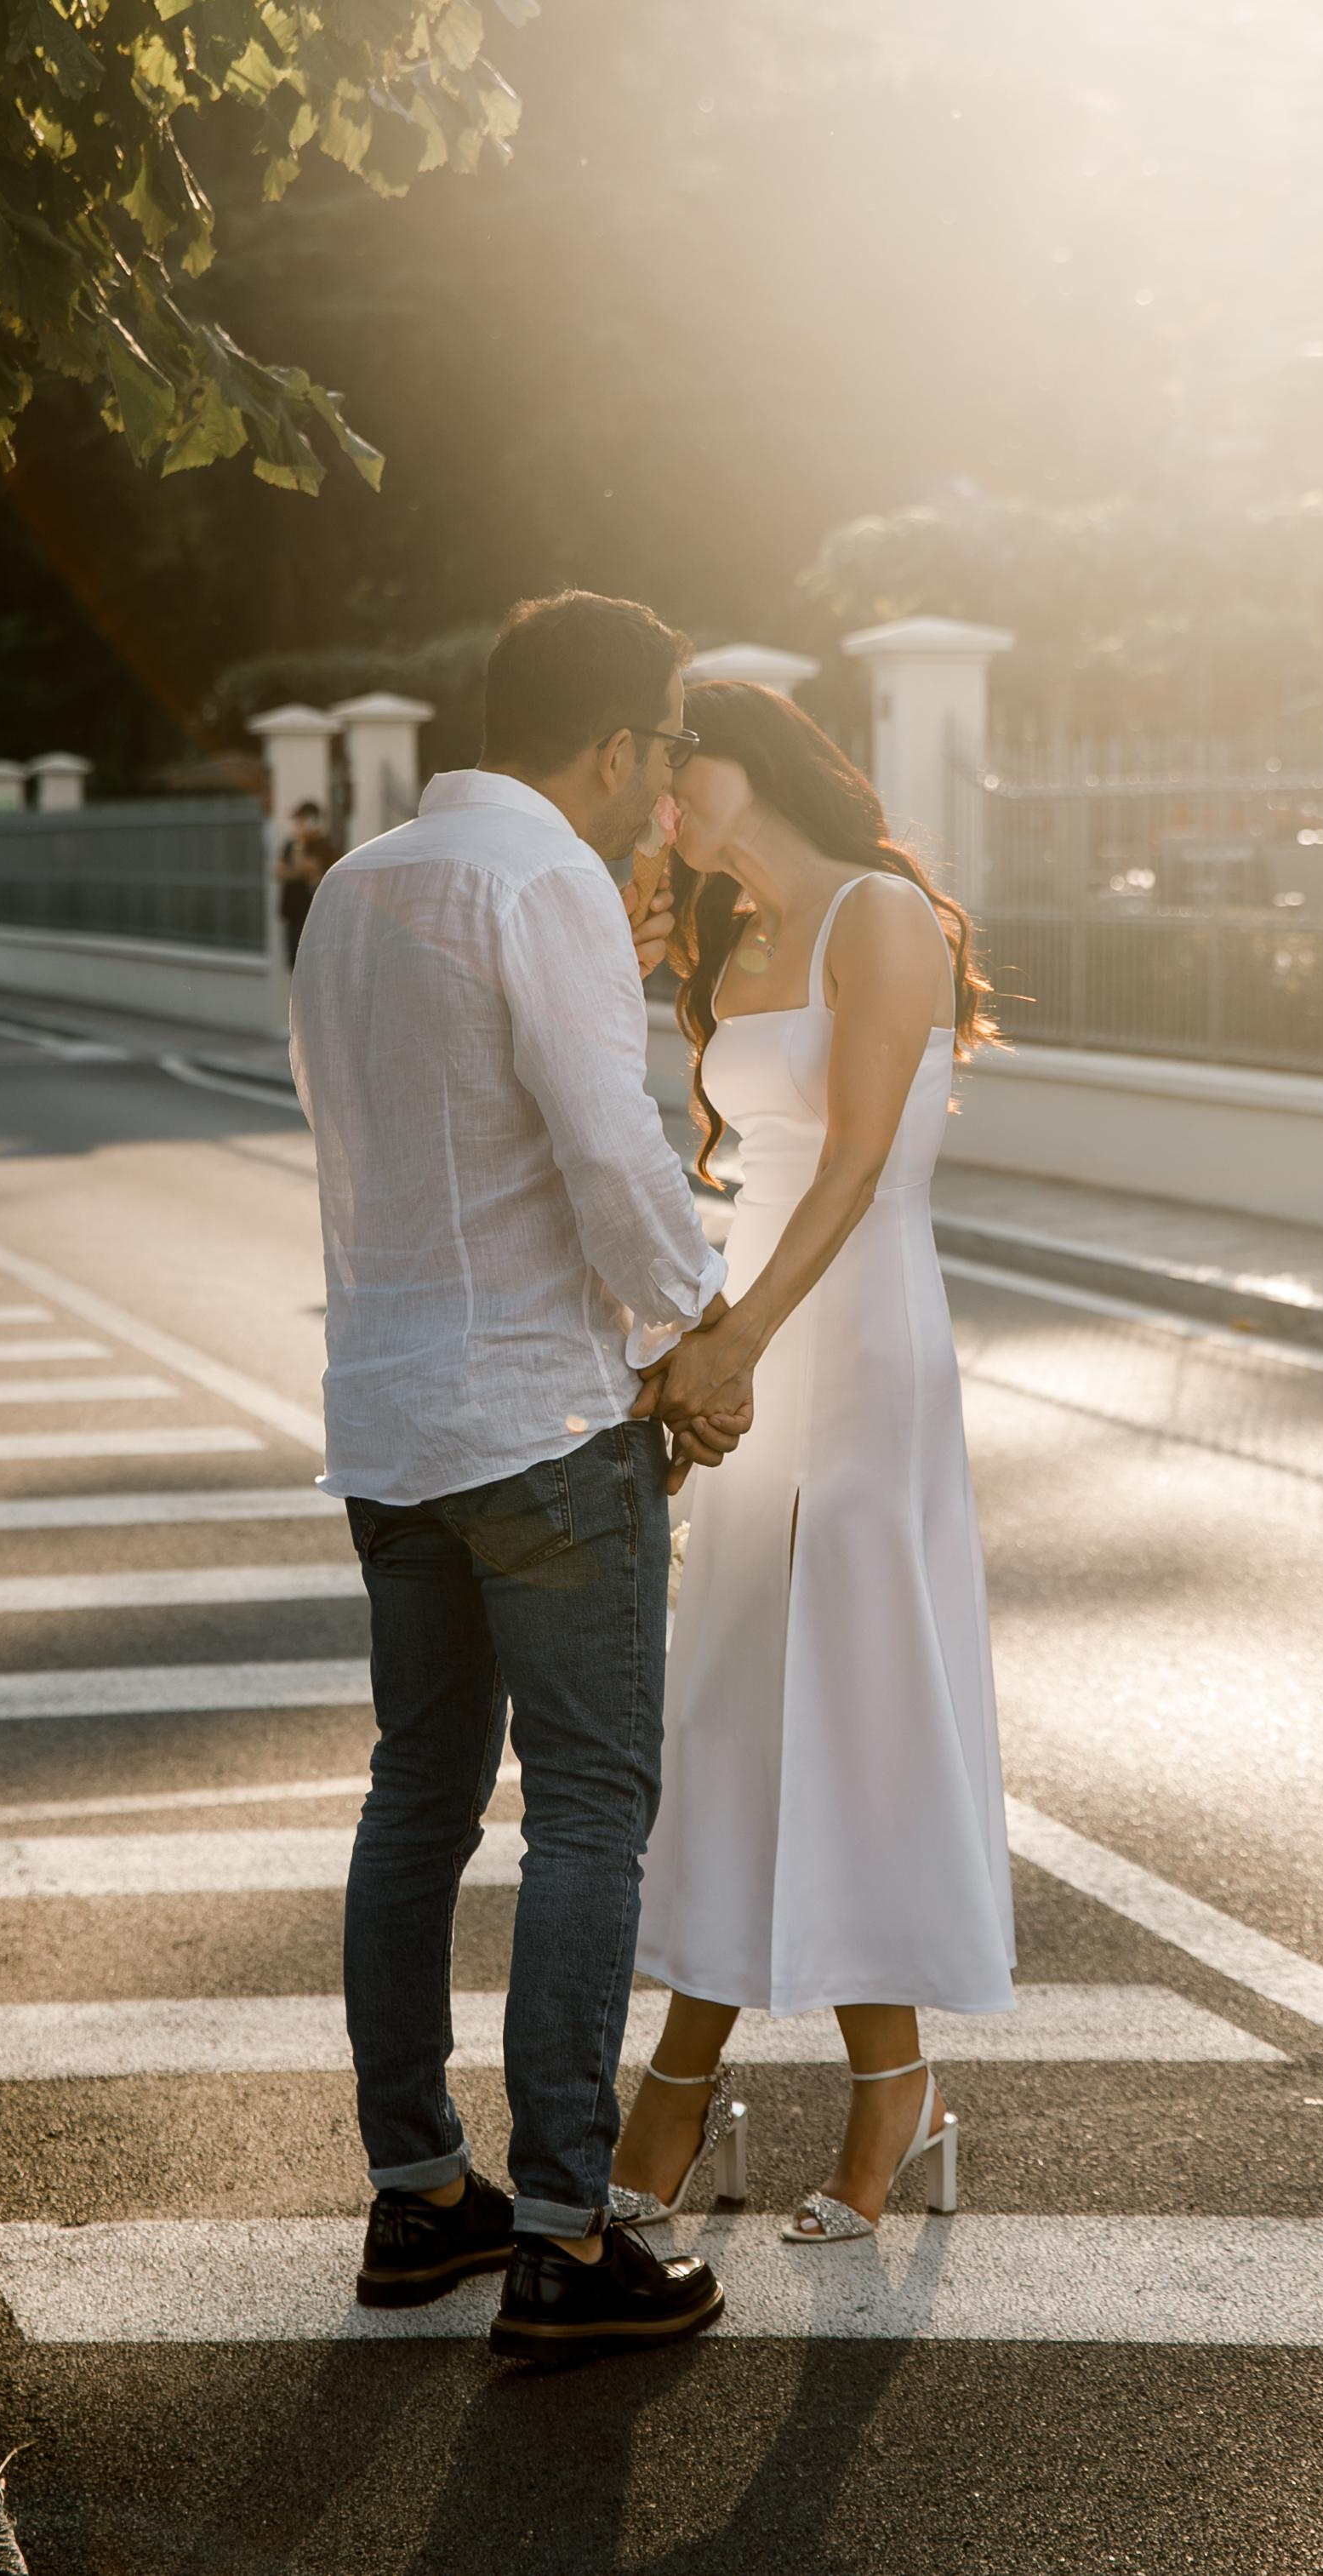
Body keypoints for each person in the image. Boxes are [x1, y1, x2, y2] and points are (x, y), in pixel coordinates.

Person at [290, 591, 753, 2367]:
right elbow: (604, 1137)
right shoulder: (543, 881)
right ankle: (567, 2232)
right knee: (586, 1803)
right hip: (547, 1426)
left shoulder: (358, 884)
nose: (663, 799)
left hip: (393, 1418)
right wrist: (698, 1330)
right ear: (621, 741)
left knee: (418, 1795)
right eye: (664, 755)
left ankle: (422, 2191)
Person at [613, 682, 1016, 2245]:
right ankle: (683, 2084)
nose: (659, 799)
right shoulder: (727, 945)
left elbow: (853, 1160)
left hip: (853, 1333)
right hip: (758, 1317)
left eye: (673, 770)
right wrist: (700, 1337)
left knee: (851, 1696)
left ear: (743, 761)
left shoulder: (881, 915)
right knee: (729, 1697)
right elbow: (734, 1168)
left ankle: (888, 2093)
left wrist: (737, 1343)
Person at [277, 800, 339, 968]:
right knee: (293, 965)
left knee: (312, 965)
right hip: (292, 915)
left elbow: (309, 869)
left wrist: (300, 851)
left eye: (302, 820)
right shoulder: (291, 844)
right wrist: (297, 871)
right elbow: (279, 872)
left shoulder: (324, 846)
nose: (298, 824)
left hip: (312, 916)